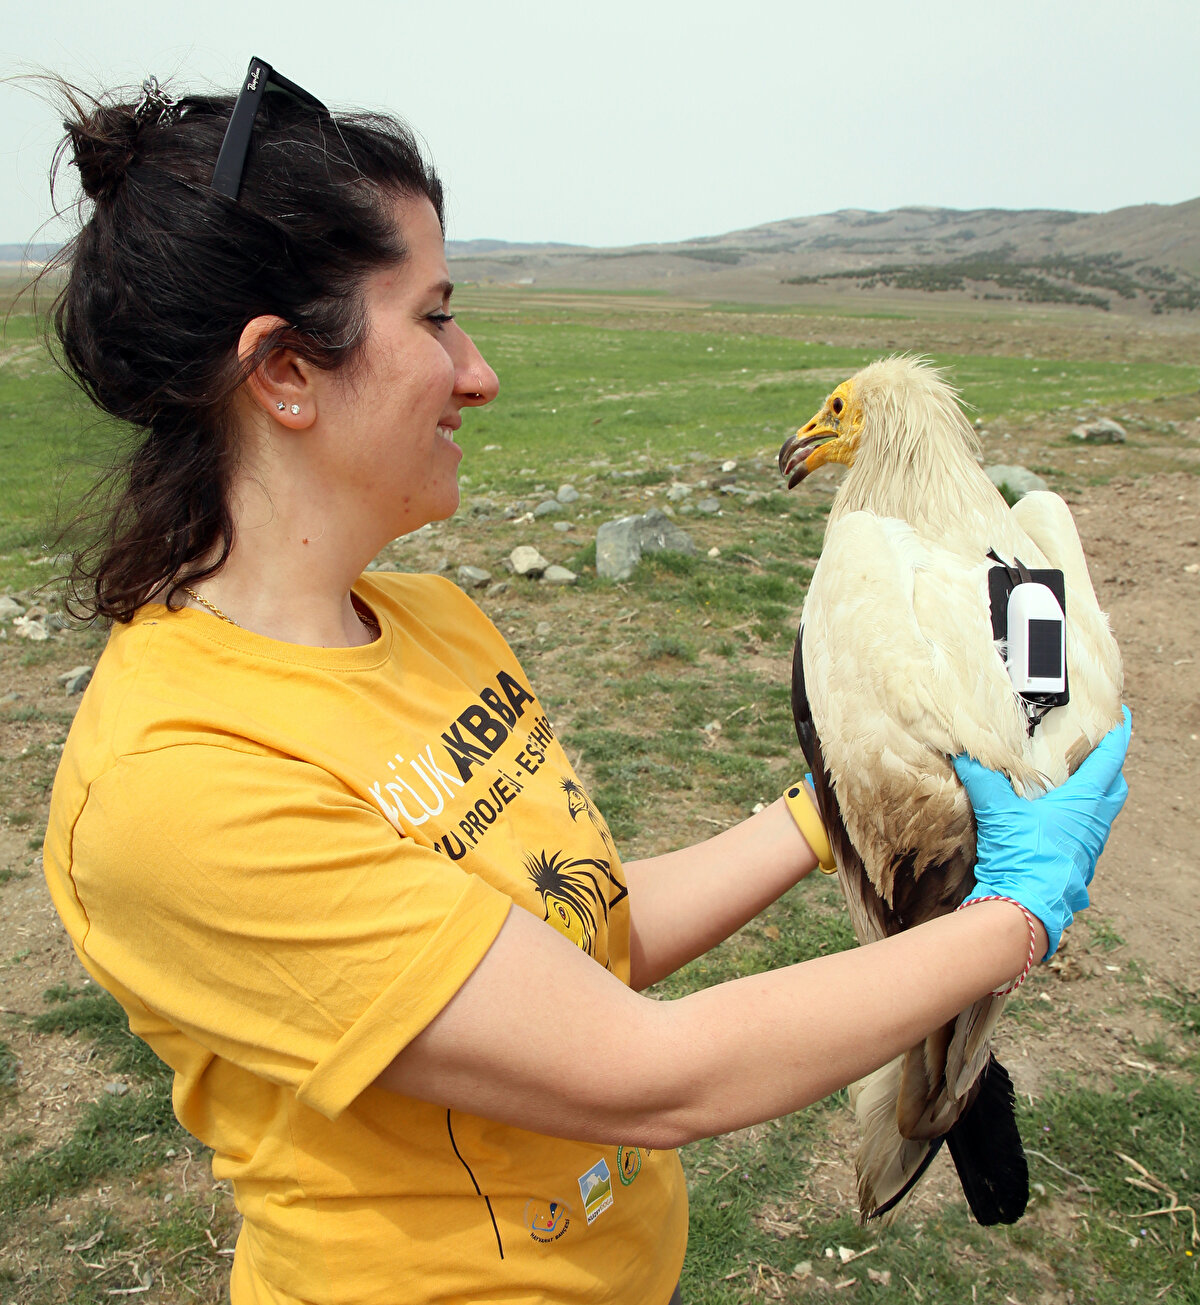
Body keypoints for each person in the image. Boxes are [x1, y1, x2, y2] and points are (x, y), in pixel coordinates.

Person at [39, 61, 1130, 1305]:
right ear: (285, 371)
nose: (480, 371)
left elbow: (582, 942)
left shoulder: (432, 623)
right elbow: (647, 1071)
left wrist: (827, 813)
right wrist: (1019, 913)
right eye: (436, 318)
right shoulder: (175, 783)